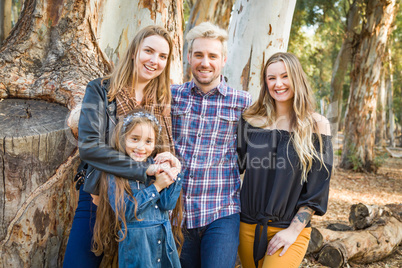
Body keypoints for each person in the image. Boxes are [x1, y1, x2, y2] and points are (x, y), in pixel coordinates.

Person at [63, 25, 181, 267]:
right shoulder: (101, 90)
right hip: (99, 200)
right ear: (135, 51)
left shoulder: (162, 100)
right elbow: (90, 148)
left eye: (162, 56)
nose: (154, 60)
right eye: (149, 51)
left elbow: (160, 153)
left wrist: (171, 161)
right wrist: (144, 170)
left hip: (142, 208)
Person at [237, 52, 333, 268]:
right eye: (271, 78)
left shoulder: (317, 126)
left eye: (285, 76)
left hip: (290, 229)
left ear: (296, 78)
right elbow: (234, 167)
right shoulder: (251, 121)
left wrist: (292, 231)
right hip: (246, 226)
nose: (278, 84)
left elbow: (317, 191)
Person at [170, 22, 252, 268]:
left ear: (223, 59)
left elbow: (249, 155)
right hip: (176, 213)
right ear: (188, 57)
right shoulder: (171, 96)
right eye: (199, 55)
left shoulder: (243, 102)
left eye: (212, 56)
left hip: (221, 211)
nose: (205, 62)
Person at [92, 110, 183, 267]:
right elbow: (125, 212)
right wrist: (156, 186)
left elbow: (167, 204)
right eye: (134, 139)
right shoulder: (117, 172)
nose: (141, 147)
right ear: (123, 139)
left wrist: (176, 169)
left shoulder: (155, 166)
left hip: (163, 242)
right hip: (138, 246)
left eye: (148, 141)